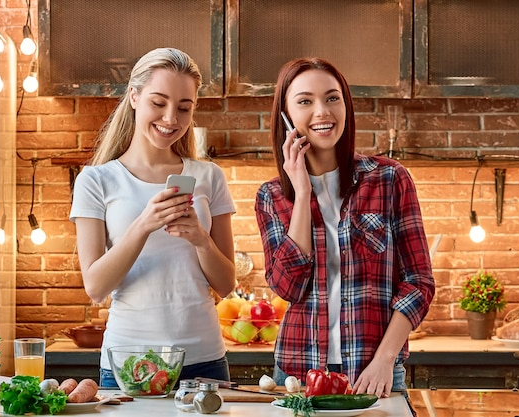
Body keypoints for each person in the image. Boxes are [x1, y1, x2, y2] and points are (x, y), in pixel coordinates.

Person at [255, 57, 435, 398]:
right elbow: (288, 287)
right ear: (286, 115)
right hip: (297, 373)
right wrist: (303, 190)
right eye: (305, 101)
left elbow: (419, 283)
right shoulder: (272, 196)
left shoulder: (388, 178)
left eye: (332, 98)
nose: (322, 111)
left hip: (375, 372)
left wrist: (385, 358)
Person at [70, 47, 237, 387]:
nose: (171, 118)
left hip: (203, 361)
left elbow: (226, 284)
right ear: (134, 96)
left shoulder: (209, 177)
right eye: (158, 103)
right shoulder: (97, 180)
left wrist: (200, 240)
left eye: (184, 107)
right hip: (129, 362)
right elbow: (96, 286)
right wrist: (144, 224)